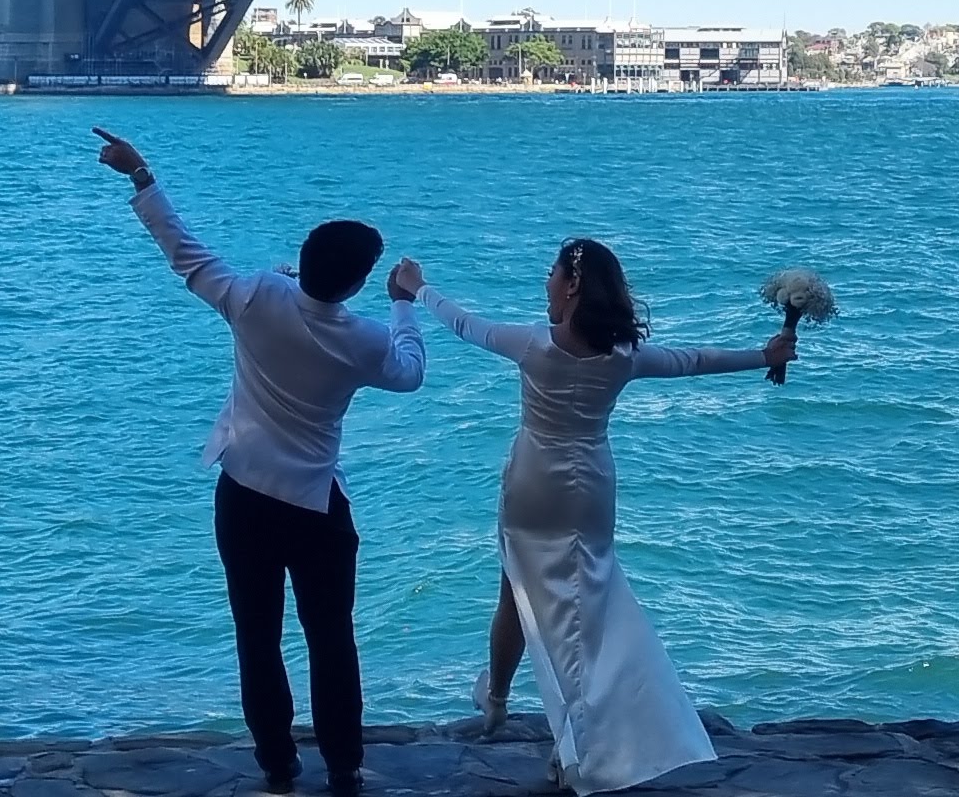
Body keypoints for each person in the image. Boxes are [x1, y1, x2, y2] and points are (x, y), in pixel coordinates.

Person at [391, 240, 793, 795]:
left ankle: (502, 702)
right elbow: (695, 361)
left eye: (552, 274)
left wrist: (417, 288)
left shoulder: (532, 344)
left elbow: (463, 324)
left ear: (573, 284)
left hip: (534, 485)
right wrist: (764, 356)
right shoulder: (622, 356)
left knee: (517, 593)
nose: (547, 283)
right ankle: (572, 737)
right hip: (592, 489)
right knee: (586, 612)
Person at [101, 127, 426, 797]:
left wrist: (142, 175)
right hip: (315, 507)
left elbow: (183, 252)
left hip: (244, 494)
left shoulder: (254, 297)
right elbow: (409, 371)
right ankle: (344, 765)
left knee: (257, 636)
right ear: (357, 283)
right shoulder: (365, 340)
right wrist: (403, 304)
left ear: (300, 263)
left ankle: (277, 764)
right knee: (331, 639)